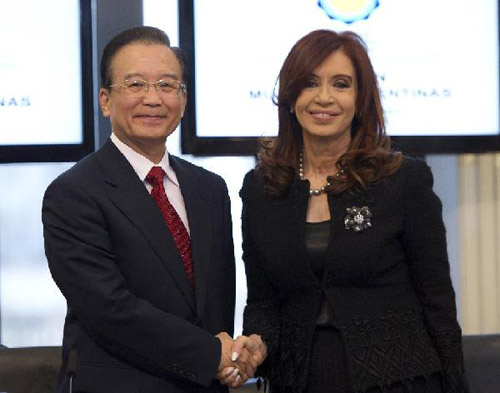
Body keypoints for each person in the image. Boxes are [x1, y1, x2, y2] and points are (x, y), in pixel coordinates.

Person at [236, 29, 470, 393]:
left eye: (341, 84)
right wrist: (256, 344)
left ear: (360, 99)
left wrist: (456, 383)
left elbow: (437, 302)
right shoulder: (261, 189)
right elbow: (264, 303)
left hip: (399, 379)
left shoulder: (404, 180)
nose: (324, 97)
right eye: (310, 83)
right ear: (290, 96)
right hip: (300, 380)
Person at [42, 26, 261, 393]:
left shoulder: (209, 188)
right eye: (135, 85)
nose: (153, 98)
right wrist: (211, 355)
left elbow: (215, 305)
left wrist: (232, 358)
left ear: (183, 99)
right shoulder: (73, 193)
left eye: (166, 85)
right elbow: (111, 311)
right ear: (105, 100)